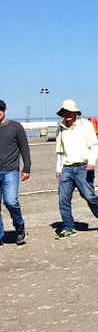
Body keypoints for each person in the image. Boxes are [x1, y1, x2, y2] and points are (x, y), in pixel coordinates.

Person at [55, 99, 98, 238]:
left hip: (83, 167)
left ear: (75, 113)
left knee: (88, 195)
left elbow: (94, 145)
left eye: (70, 112)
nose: (67, 115)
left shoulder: (86, 125)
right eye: (65, 112)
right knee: (63, 199)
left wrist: (92, 163)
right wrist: (58, 168)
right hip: (66, 168)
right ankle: (68, 227)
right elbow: (60, 151)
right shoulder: (60, 128)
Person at [0, 100, 30, 245]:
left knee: (11, 201)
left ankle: (19, 228)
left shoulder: (15, 127)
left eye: (0, 109)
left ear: (4, 110)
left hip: (10, 171)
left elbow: (24, 147)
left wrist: (27, 168)